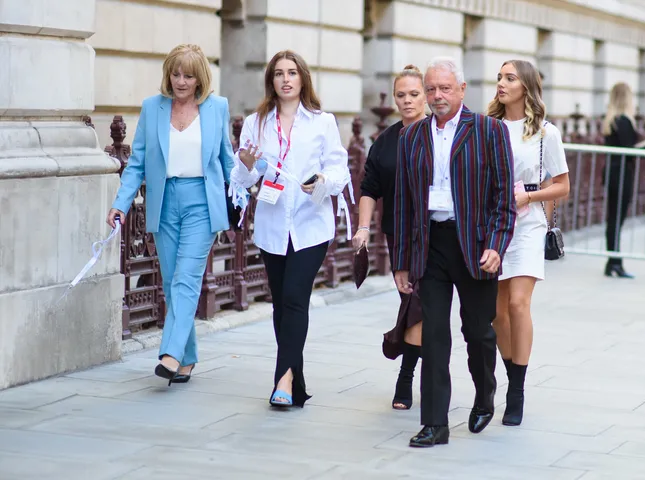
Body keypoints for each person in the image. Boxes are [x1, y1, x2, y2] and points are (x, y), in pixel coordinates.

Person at [393, 57, 516, 447]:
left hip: (476, 244)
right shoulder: (411, 137)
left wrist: (496, 244)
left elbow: (503, 197)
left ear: (462, 90)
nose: (436, 96)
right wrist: (401, 261)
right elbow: (403, 204)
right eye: (431, 89)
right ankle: (435, 423)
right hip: (430, 243)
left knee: (478, 331)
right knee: (434, 334)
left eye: (445, 88)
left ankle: (484, 393)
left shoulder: (489, 131)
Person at [107, 44, 235, 385]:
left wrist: (251, 178)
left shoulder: (216, 108)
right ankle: (188, 358)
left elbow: (227, 160)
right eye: (176, 73)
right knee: (171, 281)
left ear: (200, 79)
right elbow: (137, 162)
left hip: (201, 202)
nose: (180, 81)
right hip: (164, 202)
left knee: (186, 279)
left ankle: (171, 352)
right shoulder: (153, 108)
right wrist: (120, 203)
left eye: (188, 75)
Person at [229, 50, 351, 407]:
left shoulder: (322, 122)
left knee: (296, 298)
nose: (286, 79)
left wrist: (322, 181)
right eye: (279, 73)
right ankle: (295, 382)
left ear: (302, 79)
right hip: (271, 224)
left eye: (292, 73)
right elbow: (244, 180)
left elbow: (340, 171)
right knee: (281, 305)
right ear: (271, 80)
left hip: (310, 225)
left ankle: (281, 380)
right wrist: (246, 163)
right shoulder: (256, 123)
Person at [487, 60, 570, 426]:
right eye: (500, 78)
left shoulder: (545, 133)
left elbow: (562, 185)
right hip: (492, 226)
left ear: (527, 86)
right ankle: (511, 373)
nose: (501, 84)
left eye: (510, 78)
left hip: (528, 226)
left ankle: (516, 392)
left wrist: (530, 198)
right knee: (496, 314)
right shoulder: (487, 128)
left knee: (518, 305)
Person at [352, 65, 426, 411]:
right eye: (401, 95)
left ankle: (406, 377)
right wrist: (363, 229)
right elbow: (369, 189)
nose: (407, 101)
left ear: (426, 95)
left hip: (436, 233)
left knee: (420, 305)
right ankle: (409, 356)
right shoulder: (385, 141)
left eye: (414, 94)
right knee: (411, 302)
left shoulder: (438, 134)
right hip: (398, 235)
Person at [601, 82, 645, 279]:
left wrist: (642, 145)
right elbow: (629, 150)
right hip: (621, 173)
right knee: (617, 218)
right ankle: (615, 262)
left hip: (613, 171)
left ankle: (613, 262)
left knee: (614, 218)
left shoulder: (611, 121)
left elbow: (624, 146)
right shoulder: (624, 120)